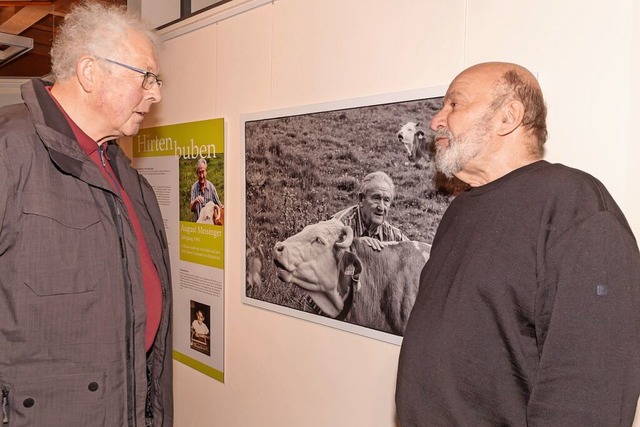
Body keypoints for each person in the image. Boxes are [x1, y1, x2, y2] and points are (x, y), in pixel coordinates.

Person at [396, 62, 640, 425]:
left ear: (508, 117)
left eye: (454, 105)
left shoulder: (576, 209)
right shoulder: (461, 208)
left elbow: (586, 401)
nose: (436, 121)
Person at [0, 2, 173, 426]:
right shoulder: (10, 150)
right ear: (90, 72)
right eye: (146, 77)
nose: (156, 93)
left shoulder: (126, 176)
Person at [332, 171, 409, 251]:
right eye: (376, 198)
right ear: (361, 199)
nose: (381, 207)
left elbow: (416, 252)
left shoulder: (391, 234)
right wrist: (356, 243)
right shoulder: (340, 225)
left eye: (386, 200)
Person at [190, 157, 222, 222]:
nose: (201, 176)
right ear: (197, 173)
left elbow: (219, 205)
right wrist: (195, 201)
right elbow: (191, 209)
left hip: (208, 228)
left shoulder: (211, 187)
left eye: (203, 172)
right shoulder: (194, 187)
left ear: (206, 172)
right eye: (199, 172)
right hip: (197, 226)